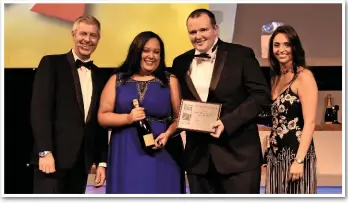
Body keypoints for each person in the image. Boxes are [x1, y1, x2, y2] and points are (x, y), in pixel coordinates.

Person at [171, 8, 271, 194]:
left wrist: (227, 122)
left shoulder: (241, 55)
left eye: (203, 30)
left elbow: (261, 95)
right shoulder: (180, 62)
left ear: (215, 29)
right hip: (198, 160)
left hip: (239, 157)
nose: (198, 36)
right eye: (193, 32)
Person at [98, 31, 185, 194]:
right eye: (146, 50)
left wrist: (168, 134)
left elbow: (180, 118)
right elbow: (103, 116)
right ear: (136, 51)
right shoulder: (117, 79)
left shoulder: (169, 80)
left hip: (162, 153)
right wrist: (128, 117)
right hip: (125, 152)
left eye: (156, 52)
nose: (151, 56)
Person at [30, 15, 109, 194]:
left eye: (93, 35)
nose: (87, 40)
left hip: (82, 163)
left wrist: (102, 162)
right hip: (51, 160)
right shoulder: (51, 63)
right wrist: (44, 151)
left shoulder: (101, 76)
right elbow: (40, 110)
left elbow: (100, 122)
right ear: (73, 34)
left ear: (98, 39)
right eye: (83, 34)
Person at [264, 25, 318, 194]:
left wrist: (299, 161)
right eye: (277, 45)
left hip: (296, 156)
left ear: (295, 47)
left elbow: (310, 122)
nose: (281, 50)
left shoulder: (304, 77)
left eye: (287, 45)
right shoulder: (275, 78)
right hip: (275, 156)